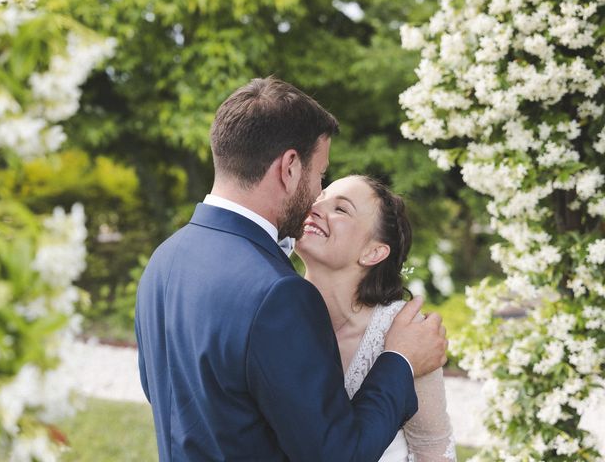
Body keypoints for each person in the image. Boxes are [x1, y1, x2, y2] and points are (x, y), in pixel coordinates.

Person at [135, 76, 448, 461]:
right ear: (289, 167)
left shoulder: (164, 260)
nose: (317, 194)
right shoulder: (277, 293)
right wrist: (400, 361)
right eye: (319, 175)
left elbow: (165, 395)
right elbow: (337, 454)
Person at [296, 175, 456, 461]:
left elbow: (432, 446)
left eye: (341, 209)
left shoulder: (403, 332)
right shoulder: (276, 314)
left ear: (374, 252)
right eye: (320, 198)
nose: (316, 208)